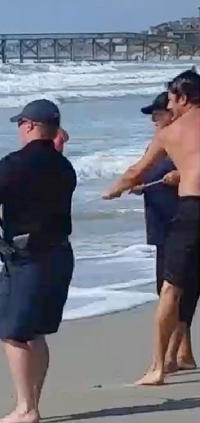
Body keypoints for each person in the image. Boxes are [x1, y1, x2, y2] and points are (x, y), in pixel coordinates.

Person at [0, 99, 77, 423]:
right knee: (36, 332)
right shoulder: (64, 167)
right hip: (59, 254)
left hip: (29, 258)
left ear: (28, 125)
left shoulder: (15, 162)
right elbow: (32, 192)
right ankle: (32, 403)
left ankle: (26, 408)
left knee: (14, 332)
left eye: (19, 124)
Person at [103, 69, 200, 386]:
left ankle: (159, 366)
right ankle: (176, 355)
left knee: (171, 288)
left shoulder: (169, 133)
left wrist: (115, 188)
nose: (170, 107)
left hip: (192, 208)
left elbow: (136, 172)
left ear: (184, 97)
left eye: (172, 100)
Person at [130, 92, 195, 374]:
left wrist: (180, 176)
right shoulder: (160, 140)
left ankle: (170, 356)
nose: (154, 120)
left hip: (183, 221)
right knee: (166, 290)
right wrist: (134, 183)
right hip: (160, 225)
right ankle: (183, 353)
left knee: (181, 290)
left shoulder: (185, 138)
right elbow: (142, 169)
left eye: (158, 114)